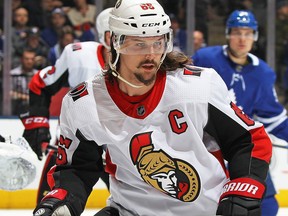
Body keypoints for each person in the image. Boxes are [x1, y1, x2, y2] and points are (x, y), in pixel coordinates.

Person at [32, 1, 272, 216]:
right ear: (115, 43)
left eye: (158, 42)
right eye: (139, 44)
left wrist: (241, 191)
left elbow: (250, 139)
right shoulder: (84, 103)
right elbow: (76, 167)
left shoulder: (197, 88)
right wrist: (61, 202)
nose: (151, 54)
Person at [192, 10, 288, 216]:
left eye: (248, 33)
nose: (242, 39)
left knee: (268, 205)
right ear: (228, 34)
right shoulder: (205, 58)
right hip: (207, 147)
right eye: (237, 32)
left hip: (242, 147)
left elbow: (273, 118)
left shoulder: (263, 72)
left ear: (255, 37)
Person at [20, 7, 113, 204]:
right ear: (104, 35)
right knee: (52, 206)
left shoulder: (147, 64)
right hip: (72, 144)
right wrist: (37, 123)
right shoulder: (78, 55)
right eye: (116, 35)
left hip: (119, 149)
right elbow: (40, 84)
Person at [10, 49, 38, 115]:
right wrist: (26, 97)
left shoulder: (39, 75)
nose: (29, 61)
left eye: (32, 59)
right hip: (16, 108)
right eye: (27, 59)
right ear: (21, 59)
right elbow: (9, 93)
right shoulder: (13, 73)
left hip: (35, 107)